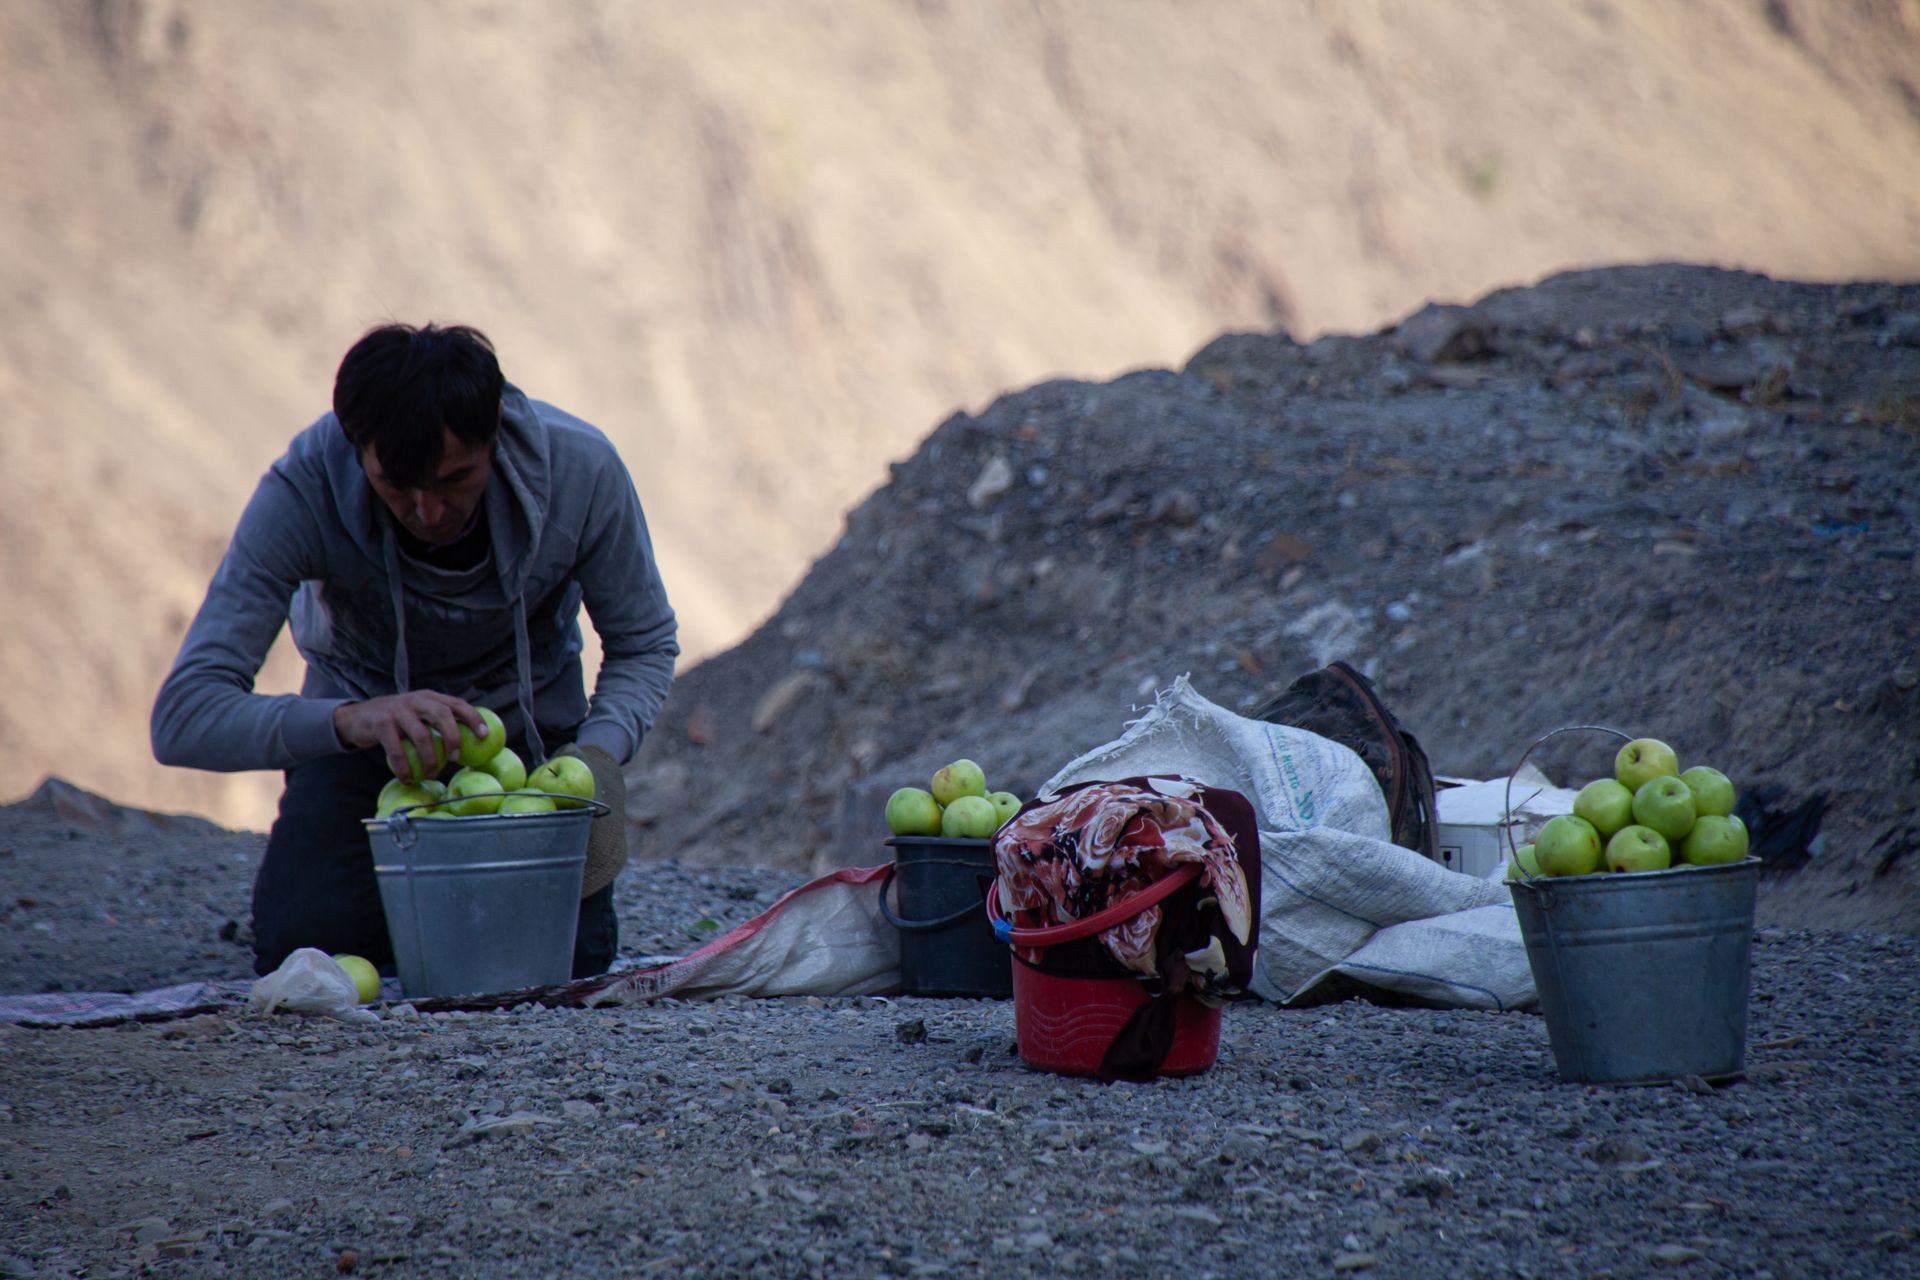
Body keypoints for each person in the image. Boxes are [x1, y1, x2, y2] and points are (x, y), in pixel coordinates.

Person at [151, 322, 679, 978]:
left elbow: (643, 642)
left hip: (531, 756)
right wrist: (353, 720)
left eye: (456, 479)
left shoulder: (579, 472)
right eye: (397, 485)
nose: (429, 513)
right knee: (307, 948)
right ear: (356, 449)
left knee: (568, 962)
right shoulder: (305, 490)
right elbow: (185, 716)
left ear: (495, 431)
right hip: (365, 749)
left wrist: (593, 759)